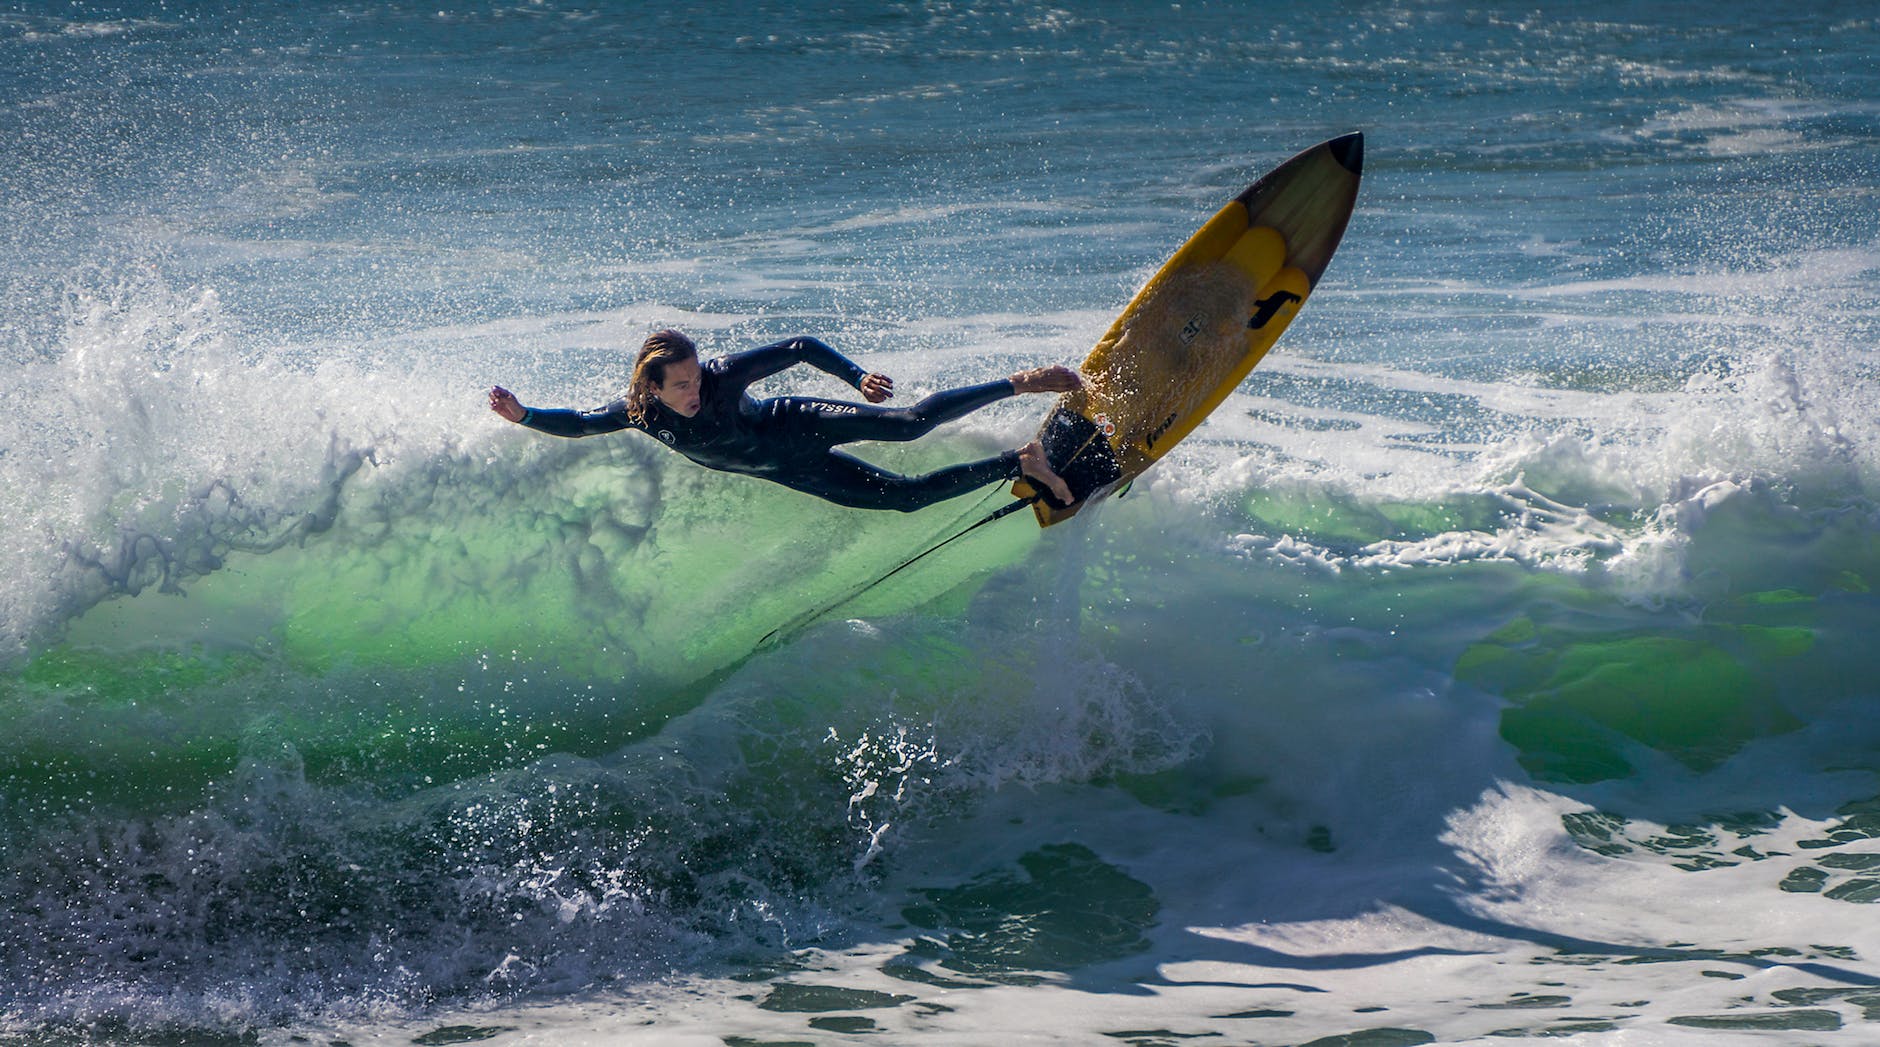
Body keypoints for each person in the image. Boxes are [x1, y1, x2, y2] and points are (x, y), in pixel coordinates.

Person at [489, 329, 1080, 512]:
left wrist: (854, 378)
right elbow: (580, 423)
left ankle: (1021, 382)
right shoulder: (638, 413)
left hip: (797, 426)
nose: (696, 390)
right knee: (905, 500)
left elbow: (800, 346)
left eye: (696, 378)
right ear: (652, 387)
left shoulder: (720, 376)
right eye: (682, 385)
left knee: (905, 424)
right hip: (789, 470)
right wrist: (525, 416)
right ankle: (1020, 463)